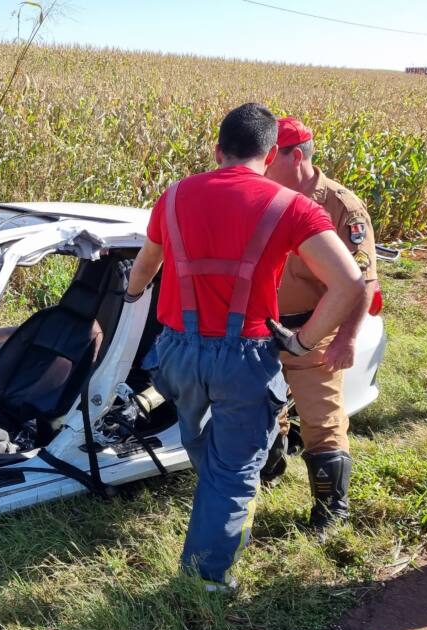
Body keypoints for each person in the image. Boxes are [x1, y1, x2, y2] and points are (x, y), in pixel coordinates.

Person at [125, 103, 364, 590]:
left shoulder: (172, 197)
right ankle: (207, 579)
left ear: (217, 150)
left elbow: (145, 267)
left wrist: (129, 297)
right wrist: (301, 343)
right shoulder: (291, 206)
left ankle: (222, 513)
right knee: (233, 471)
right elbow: (350, 284)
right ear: (272, 151)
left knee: (208, 453)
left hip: (177, 354)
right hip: (244, 356)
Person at [264, 116, 379, 536]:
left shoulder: (340, 206)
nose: (262, 163)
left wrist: (347, 337)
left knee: (321, 419)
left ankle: (331, 509)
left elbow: (363, 280)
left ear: (296, 157)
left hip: (316, 329)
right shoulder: (265, 195)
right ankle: (270, 469)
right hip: (265, 326)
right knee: (266, 409)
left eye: (270, 157)